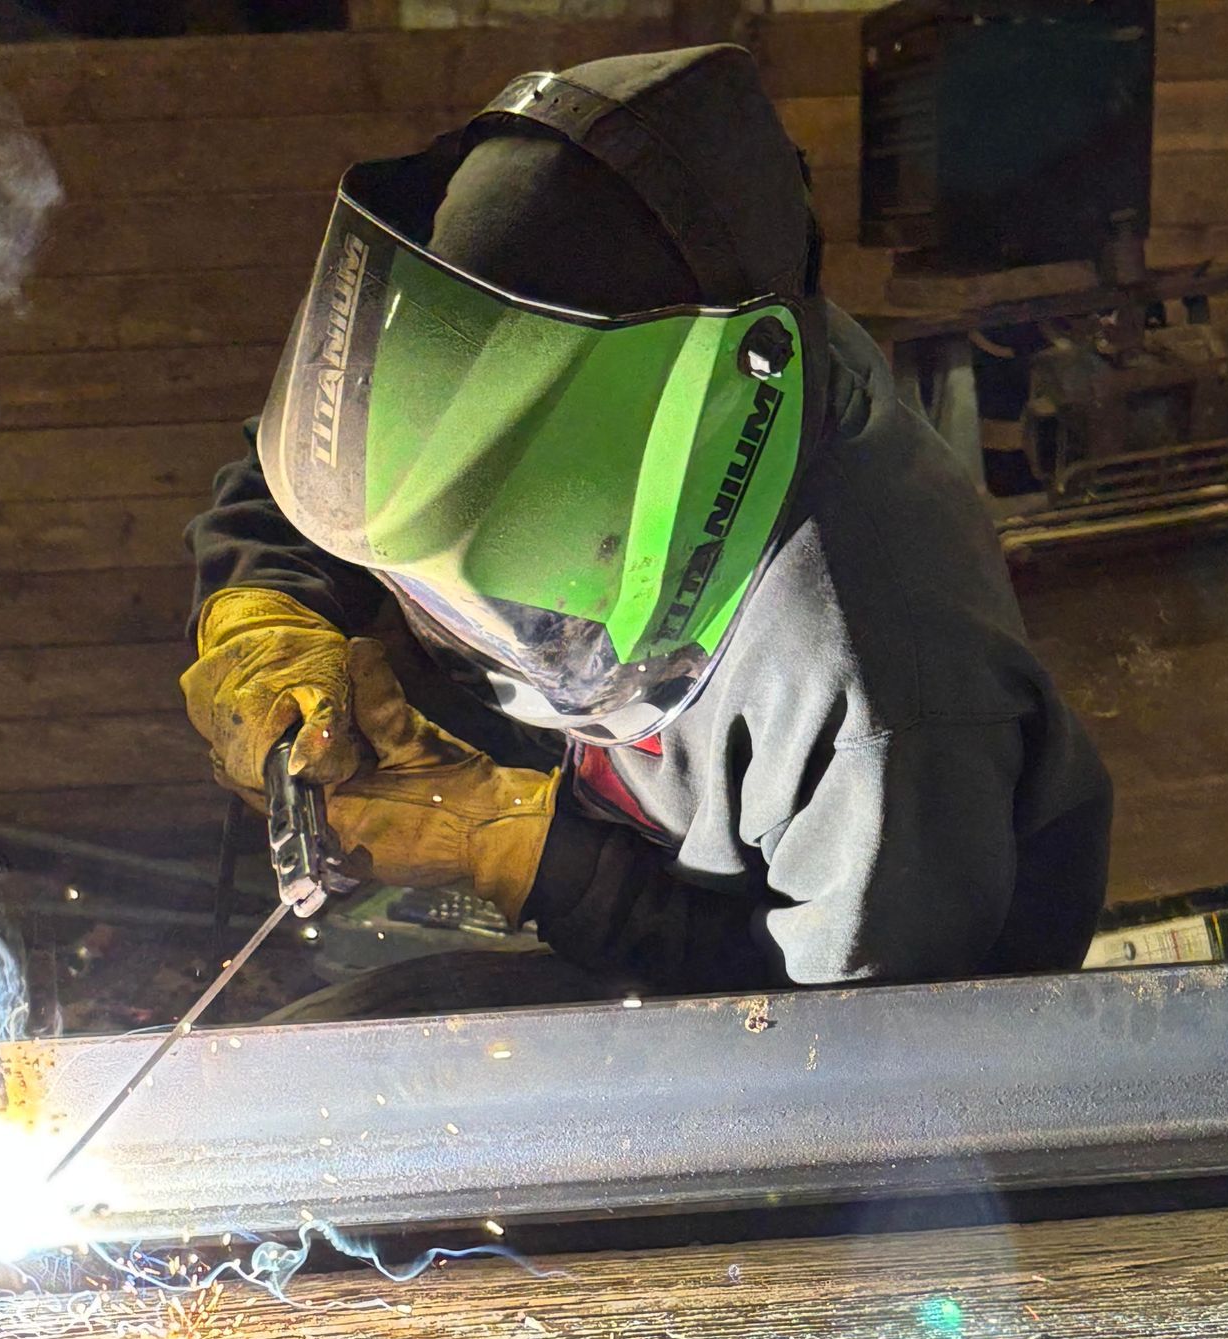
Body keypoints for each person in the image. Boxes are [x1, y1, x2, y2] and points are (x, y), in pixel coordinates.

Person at [181, 43, 1111, 1002]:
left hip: (829, 980)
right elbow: (324, 468)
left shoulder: (872, 697)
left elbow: (840, 1044)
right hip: (642, 828)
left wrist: (530, 853)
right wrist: (264, 615)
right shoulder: (647, 358)